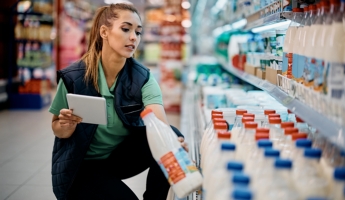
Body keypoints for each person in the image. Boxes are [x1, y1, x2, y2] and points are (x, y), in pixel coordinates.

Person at [49, 3, 188, 200]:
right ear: (104, 32)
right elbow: (57, 127)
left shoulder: (142, 78)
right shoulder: (74, 78)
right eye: (125, 29)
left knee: (172, 135)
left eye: (138, 32)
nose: (134, 37)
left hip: (118, 159)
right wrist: (66, 125)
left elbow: (160, 124)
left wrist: (173, 144)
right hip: (81, 166)